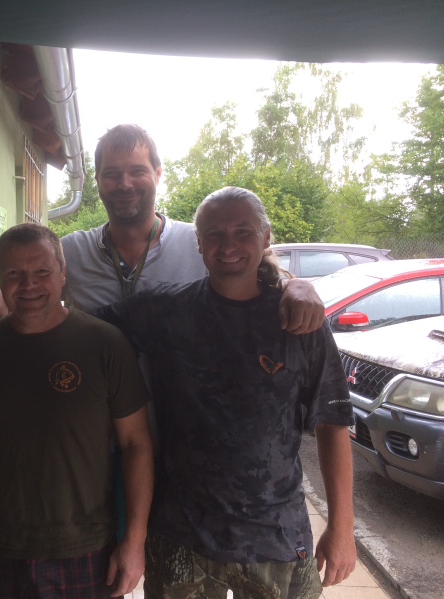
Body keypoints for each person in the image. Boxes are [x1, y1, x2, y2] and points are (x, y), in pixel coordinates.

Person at [94, 187, 356, 598]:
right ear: (199, 243)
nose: (228, 245)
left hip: (278, 537)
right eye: (214, 234)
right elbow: (71, 325)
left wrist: (342, 528)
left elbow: (333, 424)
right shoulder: (165, 312)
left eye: (242, 232)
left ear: (265, 237)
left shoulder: (300, 322)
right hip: (182, 538)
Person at [0, 223, 155, 597]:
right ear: (1, 280)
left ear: (63, 275)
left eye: (42, 271)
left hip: (82, 546)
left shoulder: (105, 344)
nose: (29, 284)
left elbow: (136, 444)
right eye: (14, 273)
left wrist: (134, 541)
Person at [0, 125, 325, 370]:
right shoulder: (73, 251)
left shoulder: (199, 244)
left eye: (137, 171)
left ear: (158, 175)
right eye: (112, 173)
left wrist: (298, 285)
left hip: (185, 428)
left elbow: (254, 277)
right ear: (98, 180)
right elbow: (19, 288)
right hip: (101, 427)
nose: (125, 183)